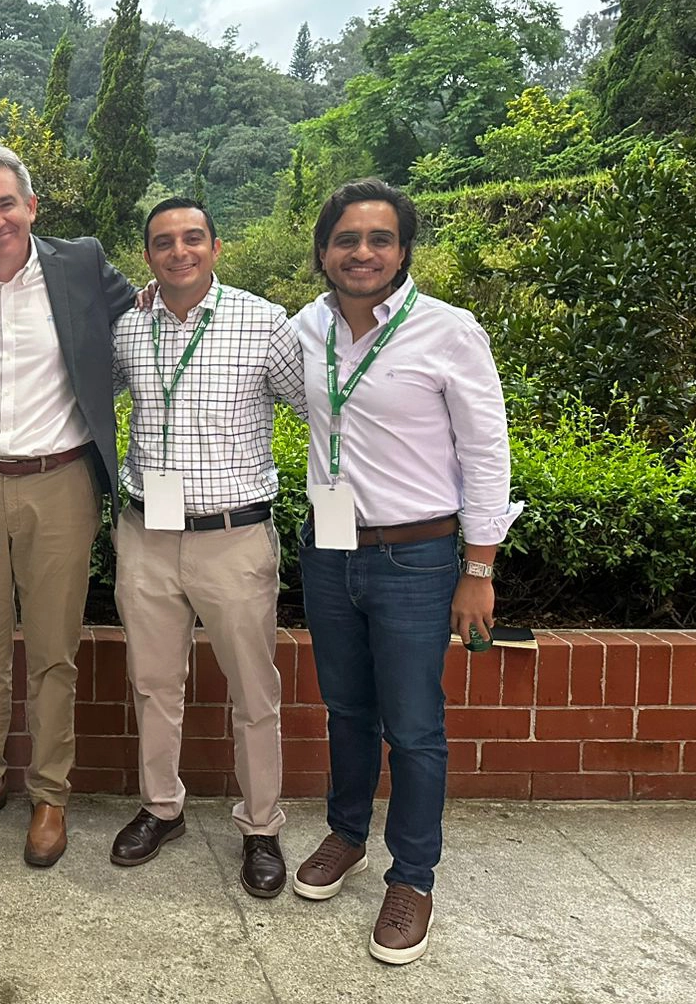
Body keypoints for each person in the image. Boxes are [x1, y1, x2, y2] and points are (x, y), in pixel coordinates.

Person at [290, 178, 520, 965]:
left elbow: (487, 451)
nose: (362, 253)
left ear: (402, 251)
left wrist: (479, 566)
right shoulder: (307, 327)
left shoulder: (448, 332)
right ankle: (346, 834)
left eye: (379, 239)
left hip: (417, 557)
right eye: (346, 239)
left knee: (415, 726)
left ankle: (413, 876)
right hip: (328, 551)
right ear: (323, 250)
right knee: (347, 710)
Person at [0, 145, 136, 868]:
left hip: (62, 480)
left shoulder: (78, 265)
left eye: (5, 203)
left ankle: (50, 793)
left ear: (31, 206)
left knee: (53, 651)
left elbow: (141, 314)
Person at [108, 197, 306, 897]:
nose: (179, 251)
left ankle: (261, 826)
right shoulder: (128, 325)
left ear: (217, 247)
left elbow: (324, 407)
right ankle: (162, 808)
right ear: (148, 256)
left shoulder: (263, 323)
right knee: (154, 684)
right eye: (164, 242)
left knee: (255, 692)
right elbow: (87, 396)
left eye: (193, 238)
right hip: (146, 537)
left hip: (235, 536)